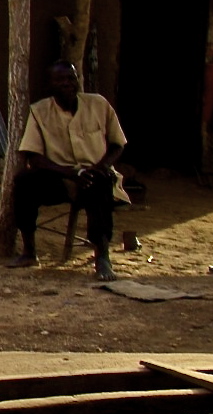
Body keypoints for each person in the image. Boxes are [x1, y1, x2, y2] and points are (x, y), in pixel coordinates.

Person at [8, 61, 126, 281]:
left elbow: (117, 144)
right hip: (60, 177)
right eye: (60, 80)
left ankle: (102, 257)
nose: (67, 84)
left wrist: (99, 167)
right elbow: (33, 156)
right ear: (50, 84)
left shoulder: (98, 104)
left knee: (99, 183)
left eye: (71, 78)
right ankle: (29, 251)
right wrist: (71, 173)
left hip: (94, 173)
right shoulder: (40, 111)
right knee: (24, 181)